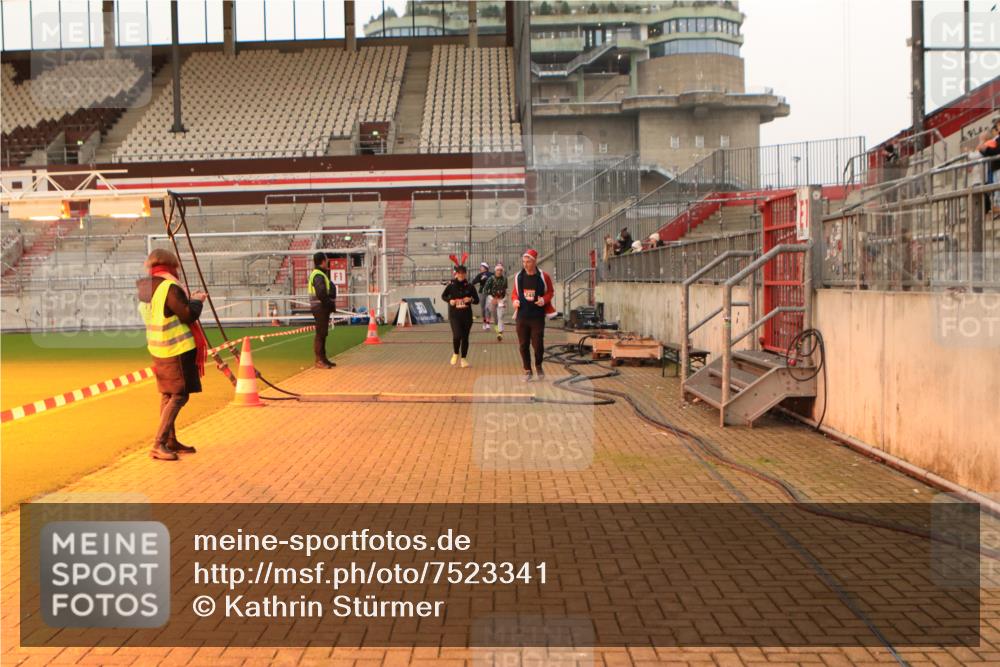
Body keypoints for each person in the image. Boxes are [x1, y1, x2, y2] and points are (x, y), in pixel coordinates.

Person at [137, 249, 207, 461]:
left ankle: (170, 440)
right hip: (177, 349)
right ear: (172, 265)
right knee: (179, 395)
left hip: (159, 349)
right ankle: (158, 444)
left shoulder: (147, 289)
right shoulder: (169, 286)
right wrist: (197, 300)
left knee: (168, 395)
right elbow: (187, 314)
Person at [512, 249, 554, 382]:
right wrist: (515, 301)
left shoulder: (543, 276)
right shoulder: (519, 276)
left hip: (537, 317)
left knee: (538, 344)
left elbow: (550, 292)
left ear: (535, 261)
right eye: (524, 262)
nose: (525, 264)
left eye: (528, 261)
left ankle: (538, 365)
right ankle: (527, 370)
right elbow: (514, 293)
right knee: (523, 344)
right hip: (522, 316)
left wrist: (544, 300)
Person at [441, 264, 478, 367]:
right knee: (457, 335)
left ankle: (463, 359)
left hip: (466, 316)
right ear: (456, 274)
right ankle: (456, 353)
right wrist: (450, 300)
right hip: (454, 316)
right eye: (459, 273)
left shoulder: (470, 287)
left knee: (465, 337)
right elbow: (443, 296)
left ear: (465, 274)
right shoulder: (451, 286)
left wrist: (470, 299)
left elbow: (477, 300)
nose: (461, 275)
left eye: (463, 273)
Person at [308, 252, 337, 369]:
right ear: (322, 261)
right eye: (326, 260)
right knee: (320, 334)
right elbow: (321, 293)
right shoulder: (318, 275)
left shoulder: (319, 274)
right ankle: (319, 360)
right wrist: (330, 304)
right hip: (320, 307)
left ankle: (323, 359)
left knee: (323, 333)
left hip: (320, 307)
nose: (328, 261)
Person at [976, 118, 1000, 216]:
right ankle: (997, 208)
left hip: (998, 167)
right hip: (995, 168)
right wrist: (984, 149)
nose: (997, 127)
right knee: (996, 190)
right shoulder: (997, 139)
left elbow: (996, 151)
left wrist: (985, 148)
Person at [482, 263, 508, 342]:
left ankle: (500, 333)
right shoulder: (491, 279)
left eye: (501, 270)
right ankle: (488, 324)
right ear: (495, 270)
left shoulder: (505, 279)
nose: (499, 272)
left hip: (501, 300)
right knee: (493, 314)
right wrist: (491, 298)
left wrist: (504, 300)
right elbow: (485, 290)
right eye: (498, 270)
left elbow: (506, 289)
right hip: (492, 299)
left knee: (500, 316)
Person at [471, 261, 494, 329]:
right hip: (482, 293)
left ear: (485, 268)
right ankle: (484, 322)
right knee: (483, 308)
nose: (480, 268)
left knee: (488, 308)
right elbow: (473, 282)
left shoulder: (491, 274)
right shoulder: (479, 275)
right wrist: (480, 279)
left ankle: (488, 323)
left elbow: (494, 280)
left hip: (490, 293)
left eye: (481, 267)